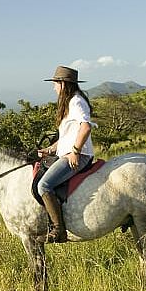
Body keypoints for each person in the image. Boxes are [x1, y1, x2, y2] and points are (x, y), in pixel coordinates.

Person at [36, 65, 95, 243]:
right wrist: (49, 150)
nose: (54, 87)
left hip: (79, 155)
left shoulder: (75, 102)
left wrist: (75, 152)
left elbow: (86, 127)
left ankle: (58, 230)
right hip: (67, 152)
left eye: (55, 83)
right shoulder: (70, 102)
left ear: (63, 83)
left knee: (44, 185)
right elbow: (68, 136)